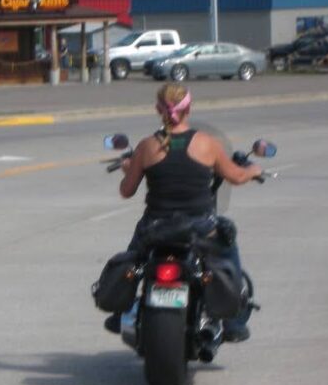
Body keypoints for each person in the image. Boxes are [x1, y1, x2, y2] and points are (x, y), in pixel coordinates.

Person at [106, 82, 263, 342]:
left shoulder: (146, 147)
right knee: (229, 250)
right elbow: (236, 176)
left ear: (159, 109)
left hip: (155, 227)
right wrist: (253, 171)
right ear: (188, 108)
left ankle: (120, 311)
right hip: (201, 227)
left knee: (134, 257)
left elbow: (127, 190)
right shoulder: (207, 144)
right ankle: (234, 321)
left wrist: (129, 168)